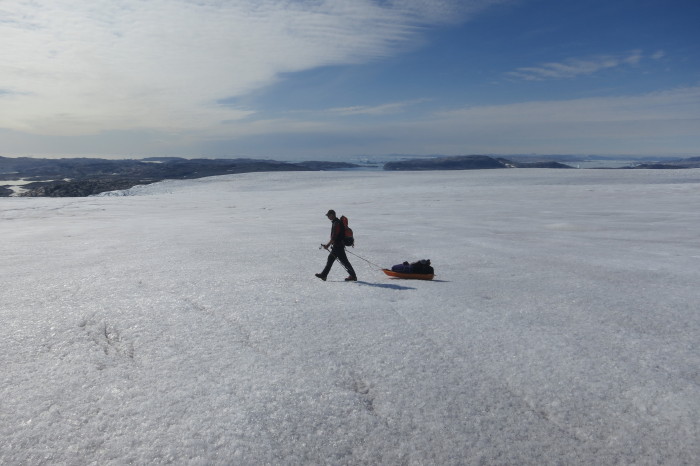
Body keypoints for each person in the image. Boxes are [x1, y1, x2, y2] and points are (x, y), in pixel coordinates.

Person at [316, 210, 357, 281]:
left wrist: (328, 245)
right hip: (337, 246)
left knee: (344, 261)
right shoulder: (336, 222)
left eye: (328, 215)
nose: (328, 217)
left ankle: (353, 276)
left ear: (332, 215)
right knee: (331, 259)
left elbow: (334, 236)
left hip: (338, 246)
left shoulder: (336, 223)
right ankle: (324, 275)